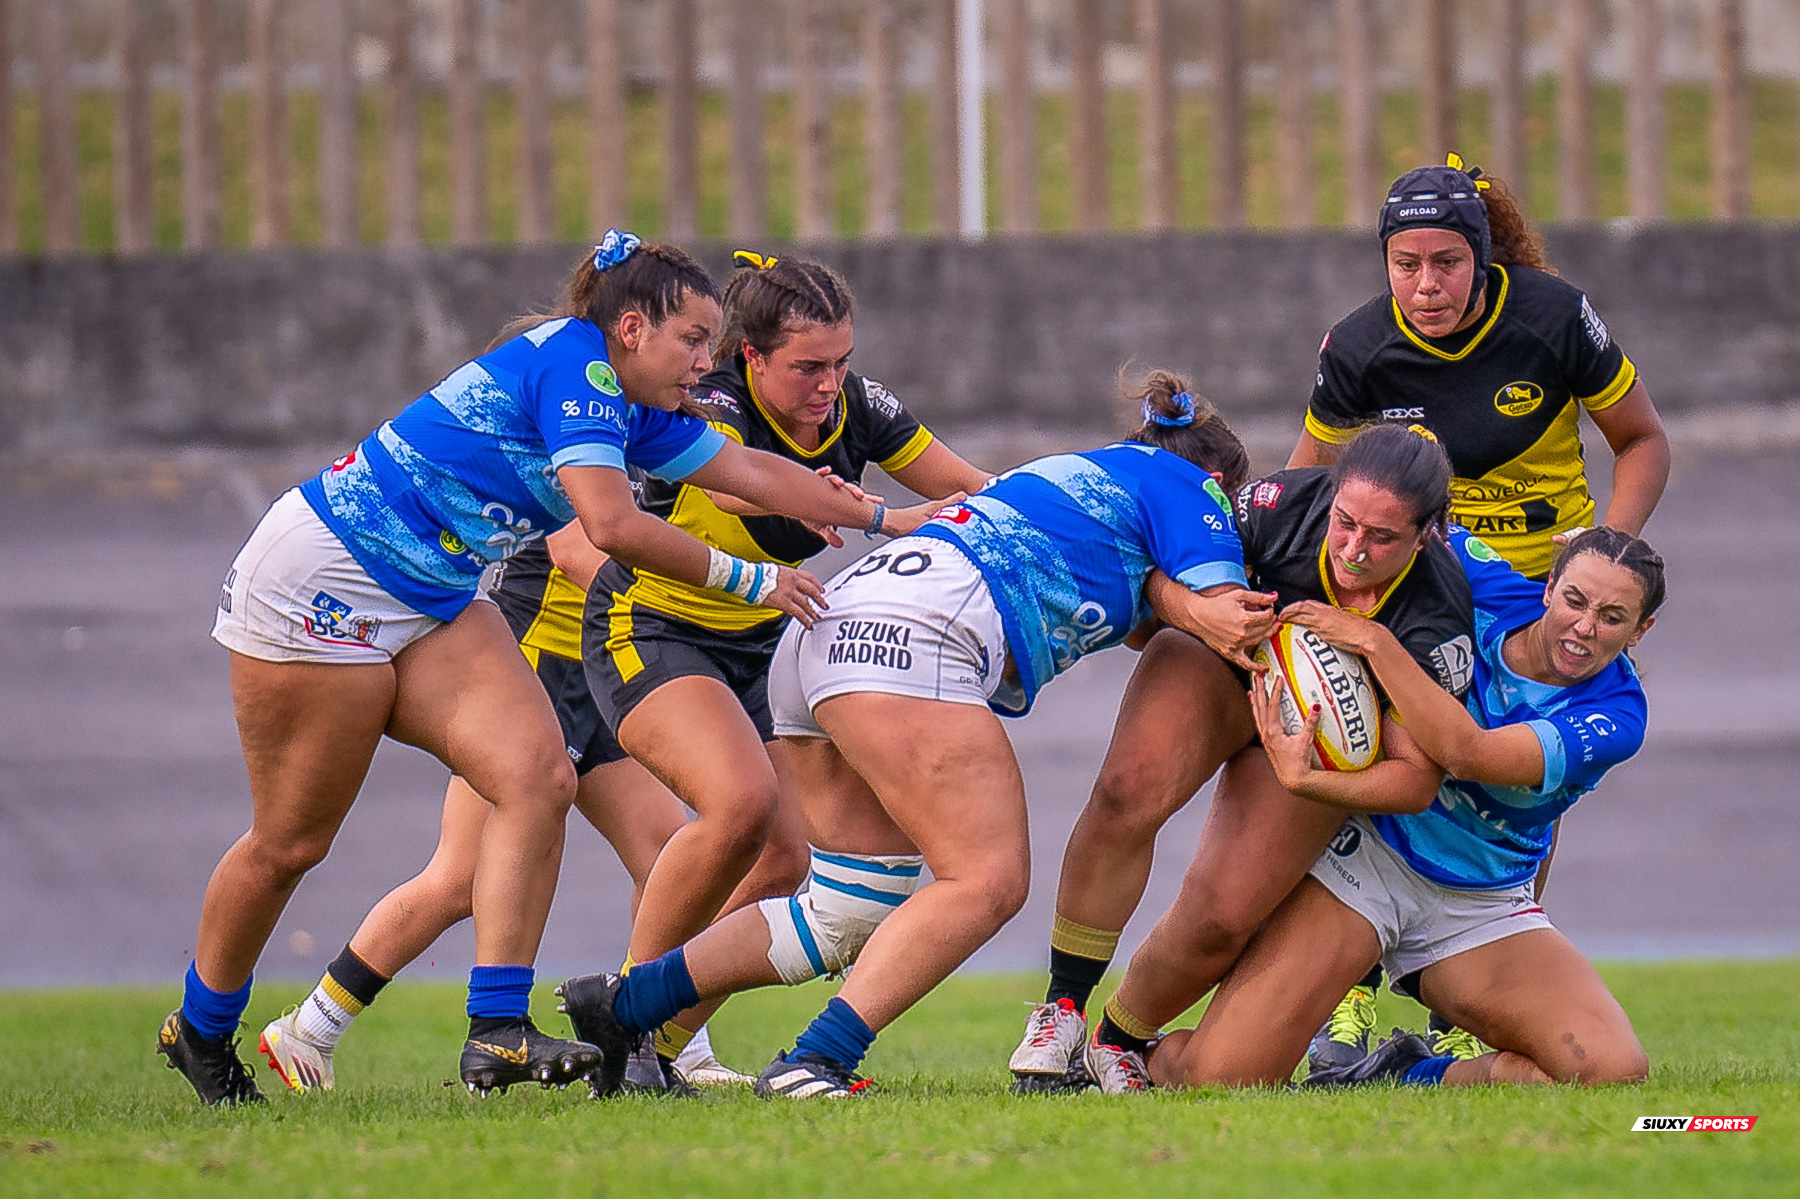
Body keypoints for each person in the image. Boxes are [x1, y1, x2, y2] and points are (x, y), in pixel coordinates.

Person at [164, 232, 947, 1105]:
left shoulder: (639, 407)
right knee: (293, 843)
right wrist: (752, 578)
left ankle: (498, 1029)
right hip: (324, 580)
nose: (706, 360)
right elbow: (609, 525)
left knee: (539, 777)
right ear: (633, 329)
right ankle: (200, 1028)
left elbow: (755, 472)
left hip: (435, 592)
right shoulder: (579, 370)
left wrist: (887, 516)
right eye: (694, 340)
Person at [557, 373, 1277, 1099]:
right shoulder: (1194, 490)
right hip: (913, 643)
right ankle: (816, 1060)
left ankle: (625, 1005)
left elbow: (1146, 609)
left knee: (845, 905)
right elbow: (1226, 613)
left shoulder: (1080, 474)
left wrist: (1164, 595)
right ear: (1216, 478)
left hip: (823, 629)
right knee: (987, 879)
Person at [566, 250, 990, 1092]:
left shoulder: (859, 407)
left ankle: (662, 1036)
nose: (829, 384)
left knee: (781, 862)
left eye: (840, 361)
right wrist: (864, 509)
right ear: (750, 356)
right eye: (806, 367)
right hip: (650, 624)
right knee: (741, 803)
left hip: (768, 638)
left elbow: (972, 488)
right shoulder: (712, 398)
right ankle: (630, 1030)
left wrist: (1078, 502)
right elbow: (734, 491)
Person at [1287, 152, 1670, 1060]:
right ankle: (1353, 990)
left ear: (1483, 257)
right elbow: (1305, 483)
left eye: (1448, 263)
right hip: (1430, 587)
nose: (1428, 286)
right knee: (1376, 750)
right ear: (1385, 265)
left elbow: (1644, 441)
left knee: (1524, 796)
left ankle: (1458, 1017)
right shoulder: (1359, 345)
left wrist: (1602, 558)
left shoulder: (1550, 315)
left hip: (1545, 592)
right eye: (1407, 265)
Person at [1010, 424, 1474, 1094]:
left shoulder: (1436, 612)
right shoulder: (1279, 506)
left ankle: (1117, 1044)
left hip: (1311, 743)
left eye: (1382, 537)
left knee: (1225, 913)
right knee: (1127, 790)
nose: (1353, 548)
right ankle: (1063, 1011)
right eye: (1345, 522)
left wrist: (1363, 659)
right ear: (1333, 494)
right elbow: (1145, 592)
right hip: (1221, 668)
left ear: (1427, 531)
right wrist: (1200, 611)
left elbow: (1416, 779)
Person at [1146, 526, 1661, 1091]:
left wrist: (1374, 641)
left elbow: (1467, 755)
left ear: (1641, 630)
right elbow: (1377, 513)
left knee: (1610, 1071)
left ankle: (1401, 1075)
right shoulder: (1482, 580)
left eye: (1612, 617)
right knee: (1219, 1081)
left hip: (1480, 903)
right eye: (1575, 600)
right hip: (1369, 863)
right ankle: (1124, 1052)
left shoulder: (1617, 717)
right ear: (1548, 589)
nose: (1584, 627)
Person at [255, 524, 744, 1093]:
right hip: (531, 661)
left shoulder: (668, 438)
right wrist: (697, 604)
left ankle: (661, 1045)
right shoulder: (587, 437)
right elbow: (574, 550)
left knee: (668, 858)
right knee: (460, 877)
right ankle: (312, 1027)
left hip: (601, 666)